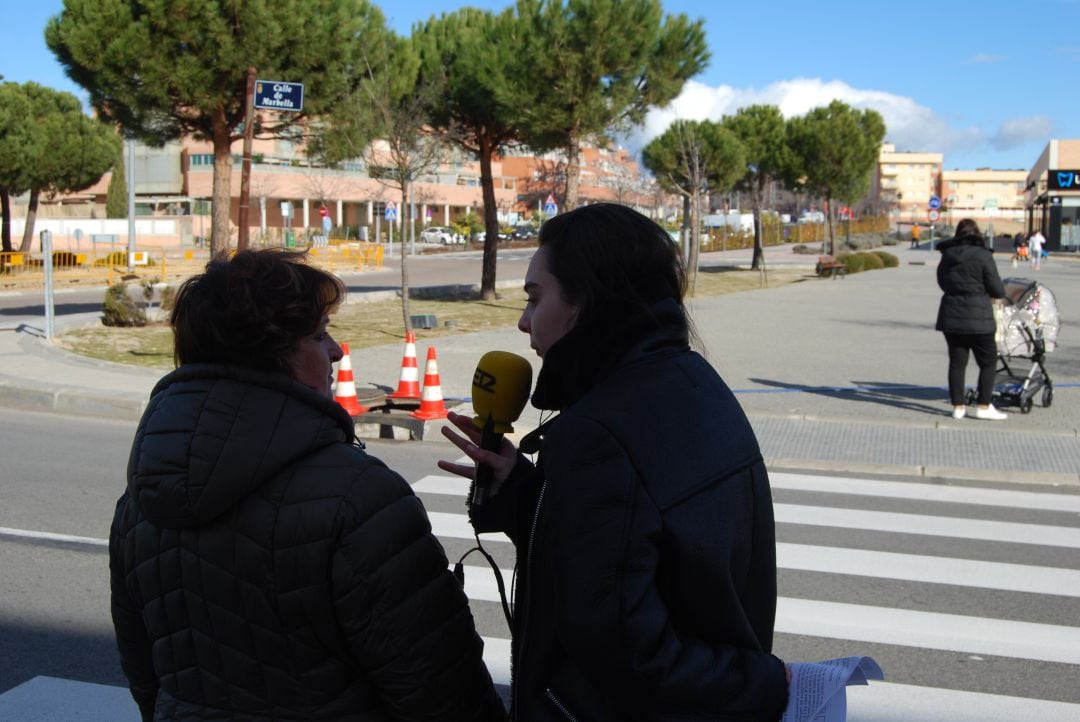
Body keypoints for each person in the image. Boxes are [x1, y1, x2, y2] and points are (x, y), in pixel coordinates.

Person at [110, 250, 504, 721]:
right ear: (274, 354)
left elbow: (145, 674)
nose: (336, 350)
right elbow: (441, 689)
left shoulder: (139, 503)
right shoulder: (360, 497)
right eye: (319, 334)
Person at [439, 203, 789, 720]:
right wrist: (526, 495)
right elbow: (654, 551)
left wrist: (763, 683)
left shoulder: (598, 432)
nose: (522, 321)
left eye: (535, 299)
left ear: (583, 302)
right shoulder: (695, 382)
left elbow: (626, 648)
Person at [935, 218, 1008, 420]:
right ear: (977, 234)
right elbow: (997, 289)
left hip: (951, 315)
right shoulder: (984, 256)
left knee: (957, 363)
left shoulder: (947, 255)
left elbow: (942, 282)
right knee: (988, 361)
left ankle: (958, 407)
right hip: (979, 317)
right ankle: (983, 406)